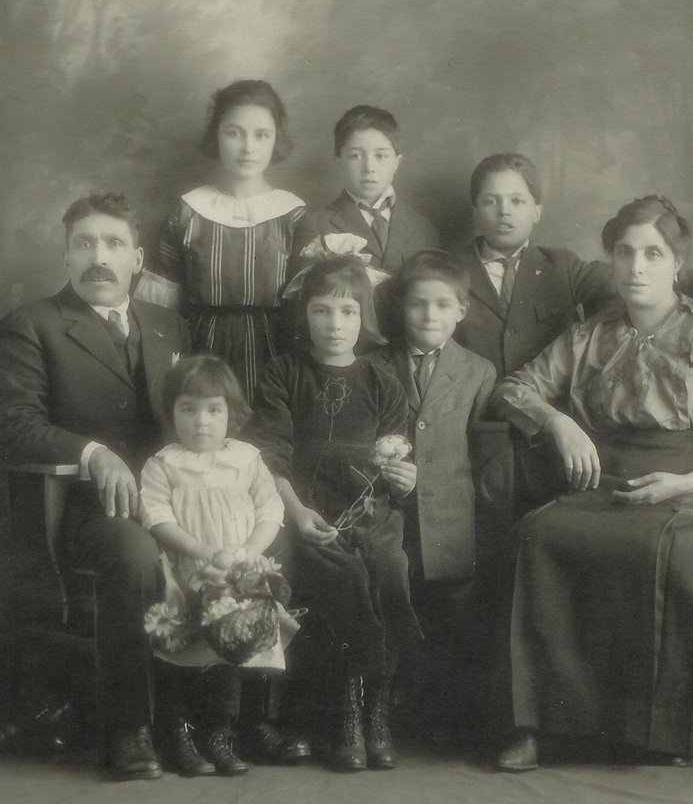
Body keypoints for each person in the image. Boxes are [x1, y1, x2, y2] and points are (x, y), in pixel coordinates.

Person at [491, 195, 693, 772]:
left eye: (653, 253)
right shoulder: (590, 335)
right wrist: (557, 420)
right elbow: (514, 387)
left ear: (677, 263)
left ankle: (658, 728)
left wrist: (686, 480)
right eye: (624, 252)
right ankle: (537, 724)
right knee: (539, 536)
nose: (636, 267)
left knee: (668, 552)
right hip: (605, 479)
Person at [0, 192, 190, 780]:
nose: (98, 257)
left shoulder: (166, 326)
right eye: (84, 244)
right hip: (76, 509)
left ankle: (206, 723)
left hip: (167, 496)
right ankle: (127, 730)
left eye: (113, 244)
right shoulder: (32, 325)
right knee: (135, 554)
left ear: (137, 259)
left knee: (251, 540)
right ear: (65, 258)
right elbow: (14, 422)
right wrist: (90, 452)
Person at [250, 255, 422, 772]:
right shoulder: (284, 371)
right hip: (305, 510)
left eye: (347, 311)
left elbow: (399, 455)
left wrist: (403, 475)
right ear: (305, 315)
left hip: (371, 510)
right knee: (344, 575)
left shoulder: (382, 377)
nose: (334, 324)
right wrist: (298, 513)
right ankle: (350, 710)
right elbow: (270, 456)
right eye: (321, 311)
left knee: (389, 569)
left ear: (363, 316)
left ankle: (376, 712)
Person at [140, 355, 290, 778]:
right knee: (184, 655)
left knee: (232, 653)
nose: (200, 422)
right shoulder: (164, 464)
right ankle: (178, 736)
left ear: (232, 414)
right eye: (187, 409)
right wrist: (202, 551)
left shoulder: (246, 460)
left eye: (213, 409)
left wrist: (246, 551)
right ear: (171, 412)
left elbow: (270, 508)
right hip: (189, 575)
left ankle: (220, 736)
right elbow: (155, 515)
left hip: (240, 576)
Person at [369, 250, 497, 740]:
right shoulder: (374, 364)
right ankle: (392, 709)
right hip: (391, 511)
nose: (430, 316)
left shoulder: (478, 371)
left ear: (461, 310)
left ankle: (444, 719)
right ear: (402, 307)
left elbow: (483, 455)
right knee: (399, 603)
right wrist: (384, 471)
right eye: (419, 304)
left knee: (452, 612)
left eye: (443, 305)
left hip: (452, 516)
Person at [455, 152, 693, 380]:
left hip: (545, 420)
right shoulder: (449, 271)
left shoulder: (561, 266)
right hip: (474, 419)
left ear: (537, 210)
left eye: (517, 200)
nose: (504, 211)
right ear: (475, 210)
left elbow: (628, 274)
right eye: (491, 201)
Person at [135, 79, 314, 404]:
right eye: (234, 132)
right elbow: (157, 312)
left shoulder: (293, 215)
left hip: (275, 359)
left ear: (276, 140)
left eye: (262, 134)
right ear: (216, 136)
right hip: (199, 356)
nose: (248, 147)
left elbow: (307, 310)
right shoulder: (187, 211)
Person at [305, 105, 440, 275]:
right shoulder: (315, 224)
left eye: (381, 156)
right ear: (339, 162)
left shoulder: (423, 229)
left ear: (396, 162)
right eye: (356, 156)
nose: (369, 168)